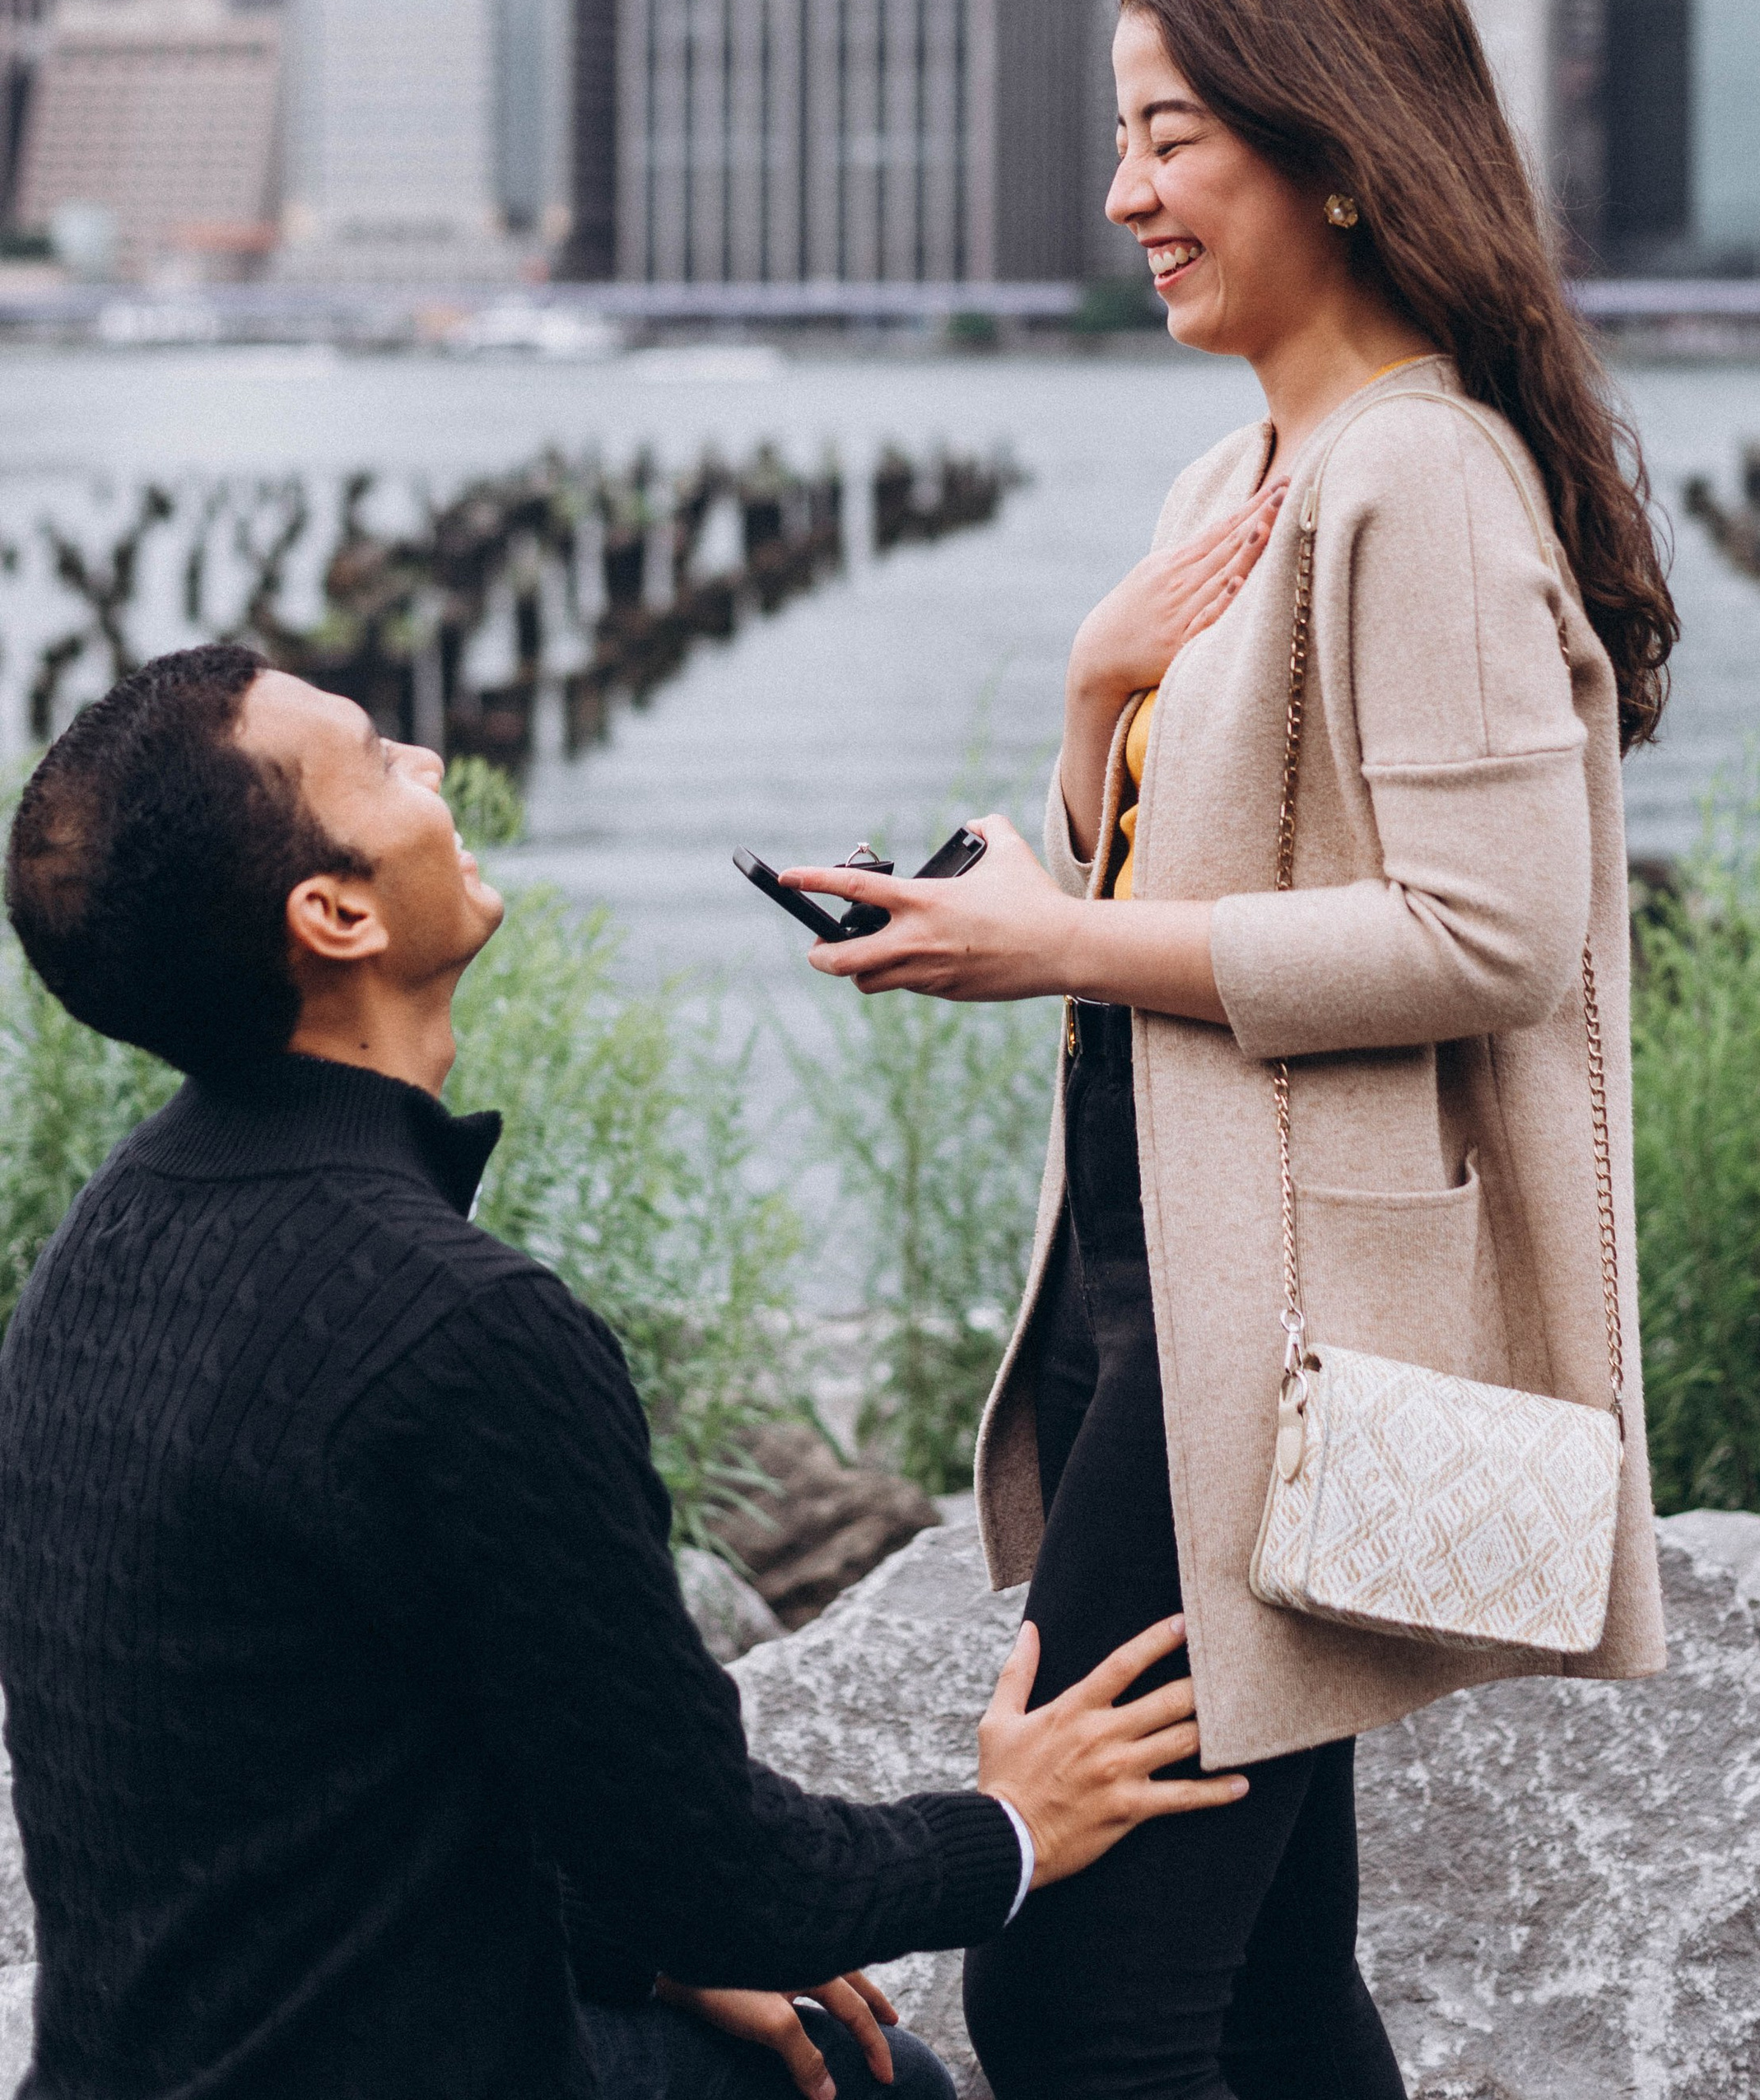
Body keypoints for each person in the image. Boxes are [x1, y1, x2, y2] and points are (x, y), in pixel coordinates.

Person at [783, 0, 1681, 2100]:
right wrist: (1090, 712)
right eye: (1120, 138)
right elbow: (1172, 887)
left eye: (1172, 137)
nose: (1124, 199)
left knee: (1083, 1987)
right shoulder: (1234, 487)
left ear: (1343, 158)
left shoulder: (1425, 480)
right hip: (1154, 1300)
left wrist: (1055, 944)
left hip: (1279, 1344)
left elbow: (1489, 935)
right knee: (1262, 1982)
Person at [0, 648, 1248, 2100]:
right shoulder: (461, 1330)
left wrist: (636, 1951)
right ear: (331, 914)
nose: (429, 761)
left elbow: (293, 1766)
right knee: (878, 2082)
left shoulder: (108, 1237)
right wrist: (1009, 1828)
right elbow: (726, 1873)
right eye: (373, 757)